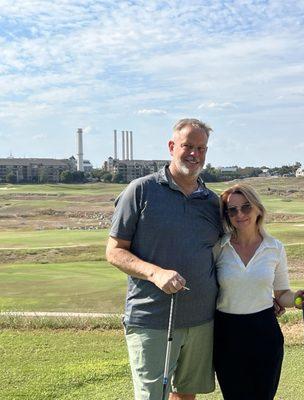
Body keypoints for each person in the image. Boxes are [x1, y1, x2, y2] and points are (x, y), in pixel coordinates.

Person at [106, 118, 222, 400]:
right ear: (172, 147)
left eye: (201, 148)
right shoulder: (141, 190)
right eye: (188, 146)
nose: (195, 154)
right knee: (152, 396)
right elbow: (114, 251)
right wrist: (155, 273)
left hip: (201, 320)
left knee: (186, 395)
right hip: (152, 318)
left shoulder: (212, 201)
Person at [214, 183, 304, 400]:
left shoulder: (274, 247)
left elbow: (281, 294)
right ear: (227, 215)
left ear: (258, 209)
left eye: (246, 207)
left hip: (264, 332)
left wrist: (296, 299)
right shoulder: (219, 247)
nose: (240, 214)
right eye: (233, 210)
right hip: (226, 333)